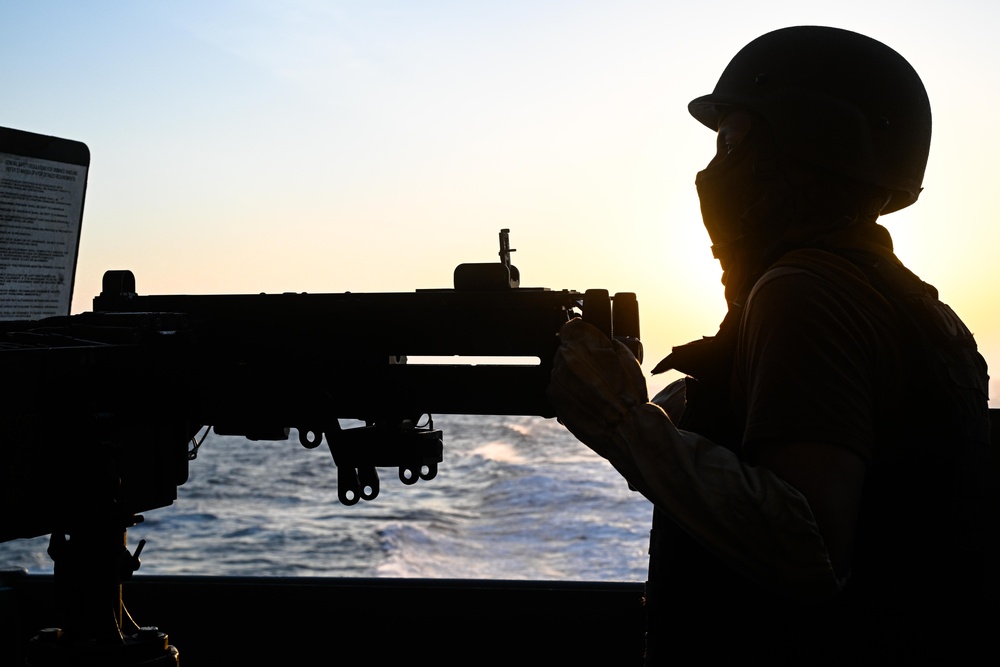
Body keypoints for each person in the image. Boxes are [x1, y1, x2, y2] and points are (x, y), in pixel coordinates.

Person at [547, 26, 994, 665]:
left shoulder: (805, 290)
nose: (711, 173)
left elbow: (808, 547)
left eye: (731, 143)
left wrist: (620, 421)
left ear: (803, 146)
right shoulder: (906, 300)